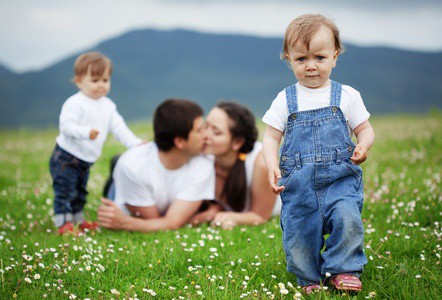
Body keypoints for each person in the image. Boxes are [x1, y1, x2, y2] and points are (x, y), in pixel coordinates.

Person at [262, 14, 375, 294]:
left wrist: (363, 144)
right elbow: (270, 137)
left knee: (348, 218)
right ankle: (309, 277)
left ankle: (343, 269)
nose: (311, 66)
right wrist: (271, 165)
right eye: (302, 59)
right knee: (300, 230)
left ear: (335, 57)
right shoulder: (285, 99)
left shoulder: (347, 95)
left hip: (340, 178)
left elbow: (365, 129)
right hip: (299, 181)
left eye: (320, 58)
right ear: (289, 59)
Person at [49, 51, 142, 235]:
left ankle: (78, 220)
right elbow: (66, 126)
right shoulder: (75, 103)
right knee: (65, 190)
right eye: (95, 80)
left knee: (80, 192)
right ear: (79, 81)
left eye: (105, 80)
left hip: (85, 159)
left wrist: (136, 143)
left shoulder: (108, 106)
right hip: (66, 156)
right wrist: (85, 133)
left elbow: (119, 128)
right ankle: (63, 224)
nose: (101, 85)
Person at [97, 99, 215, 232]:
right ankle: (115, 176)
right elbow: (154, 221)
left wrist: (126, 223)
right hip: (127, 183)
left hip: (156, 197)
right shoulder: (132, 167)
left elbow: (171, 222)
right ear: (180, 141)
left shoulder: (204, 163)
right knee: (118, 187)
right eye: (200, 130)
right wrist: (125, 221)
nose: (207, 135)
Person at [190, 102, 281, 230]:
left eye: (216, 132)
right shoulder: (203, 155)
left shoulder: (261, 163)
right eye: (206, 126)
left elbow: (260, 216)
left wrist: (229, 217)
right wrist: (213, 209)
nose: (205, 135)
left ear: (237, 142)